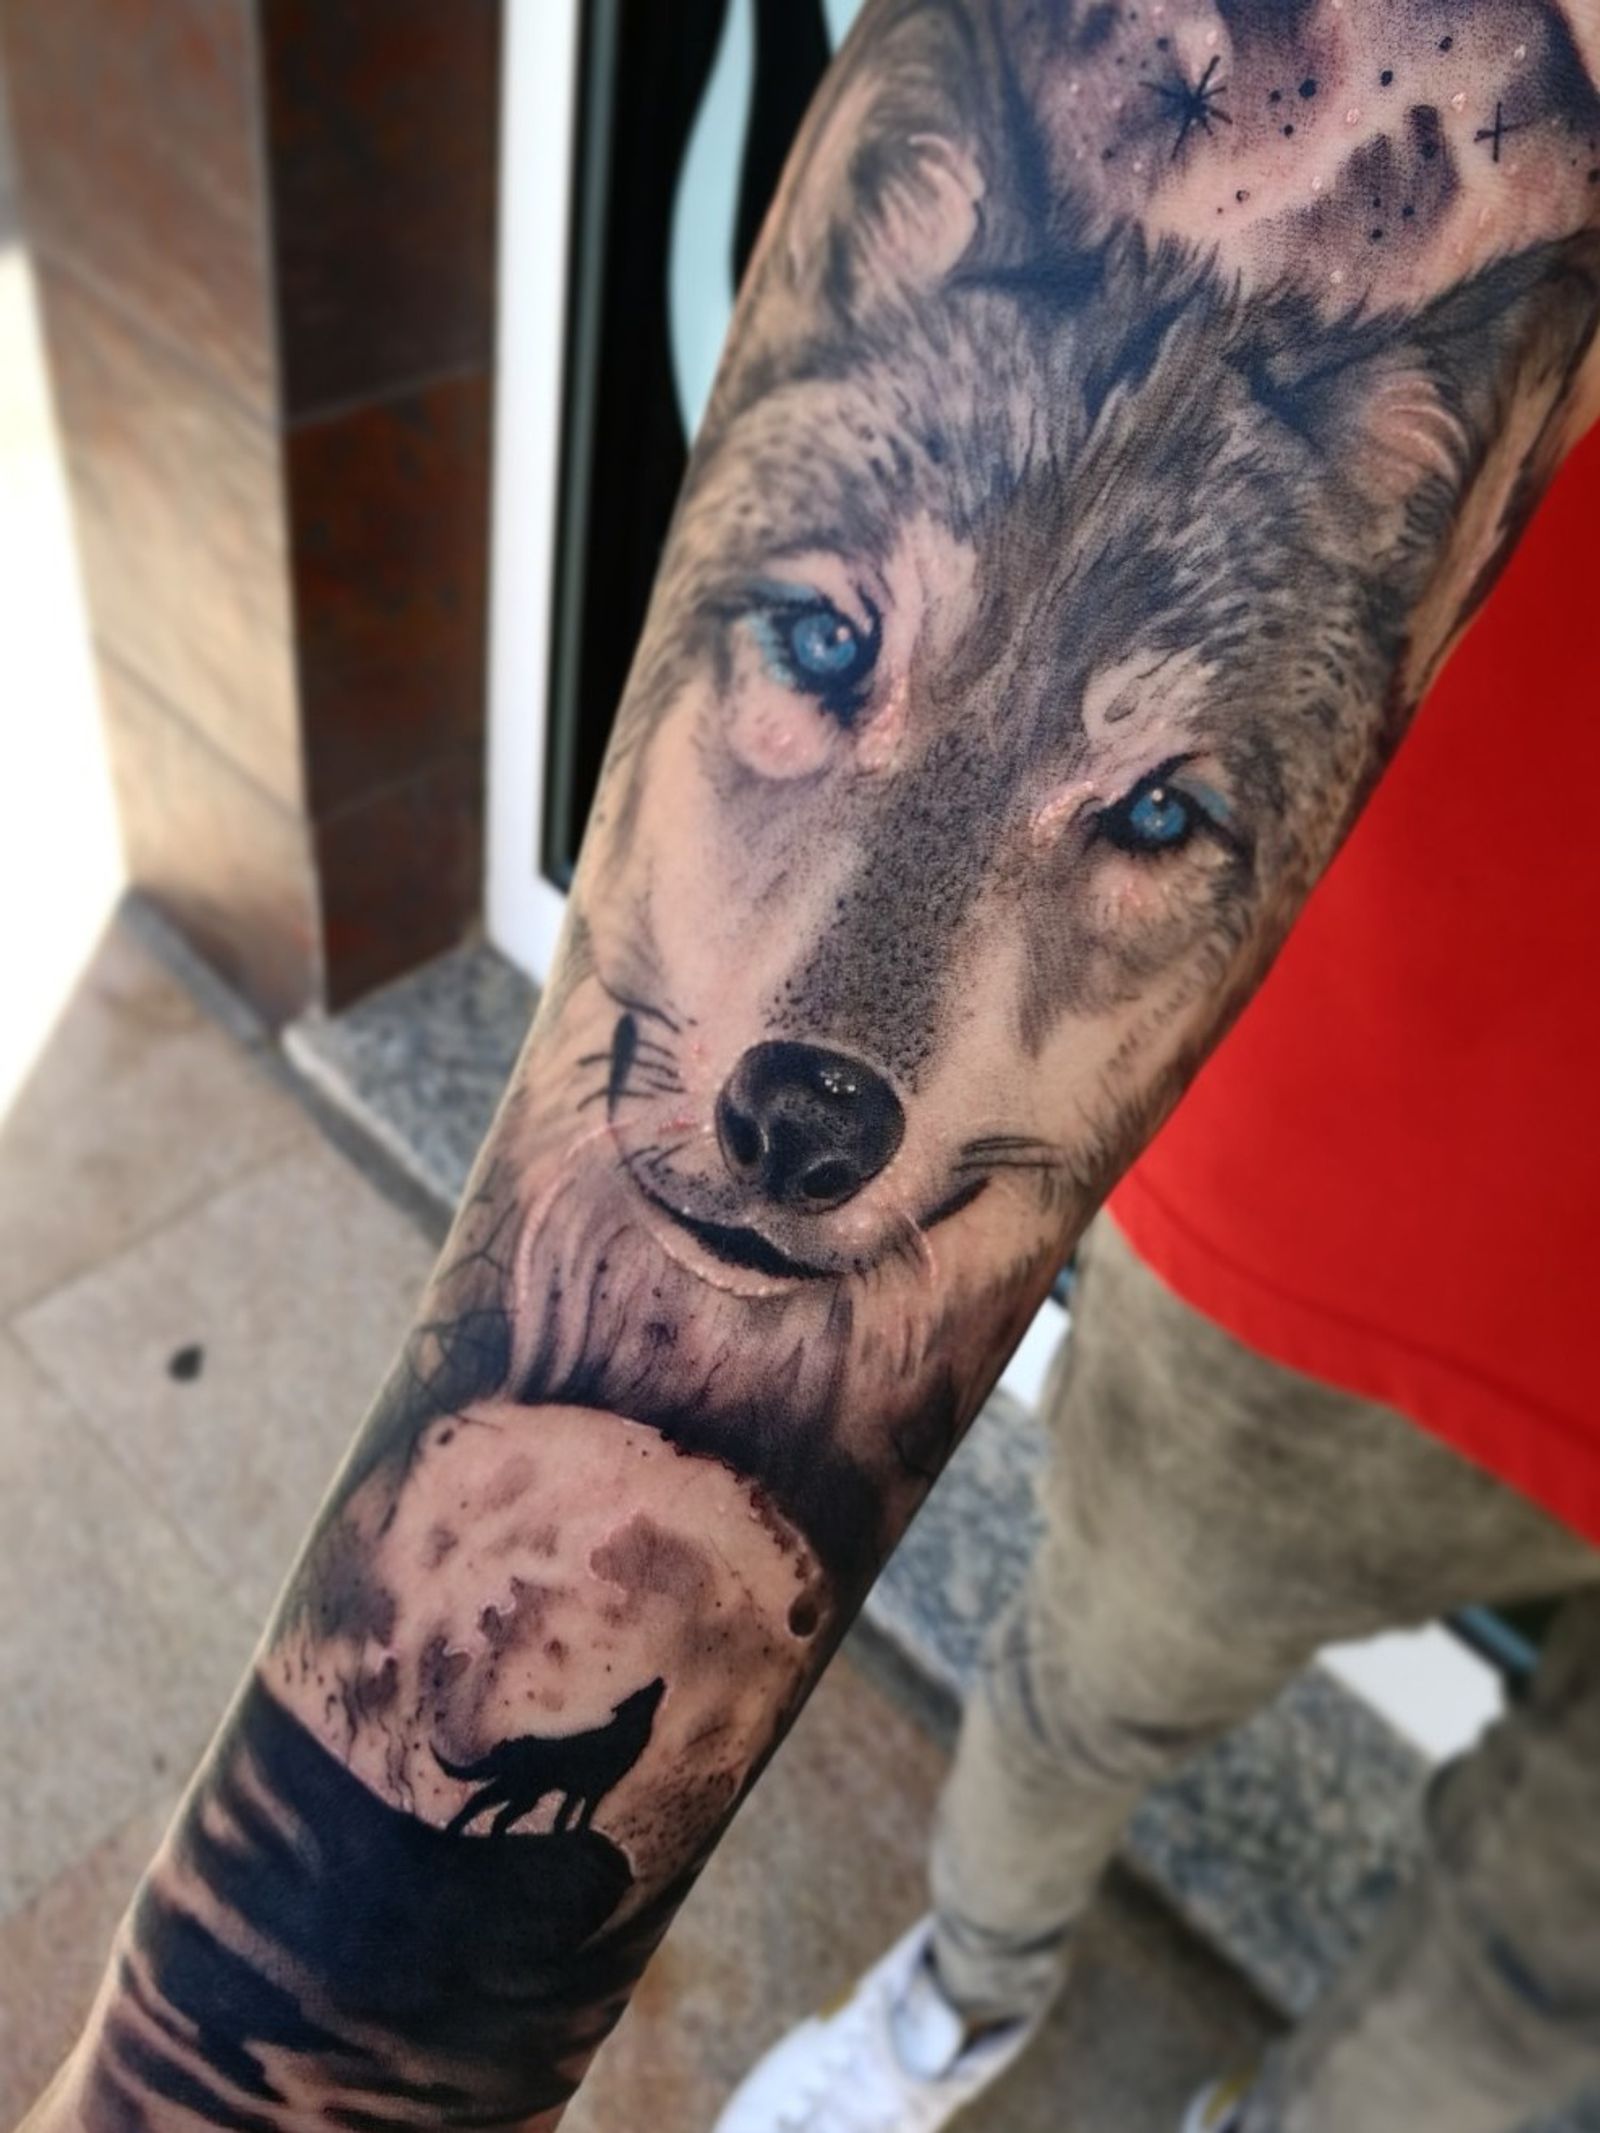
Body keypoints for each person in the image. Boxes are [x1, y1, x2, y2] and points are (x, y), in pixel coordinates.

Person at [24, 5, 1600, 2132]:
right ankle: (965, 1990)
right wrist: (242, 2091)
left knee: (1540, 1976)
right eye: (833, 648)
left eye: (1139, 810)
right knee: (1092, 1699)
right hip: (1407, 1219)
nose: (840, 1035)